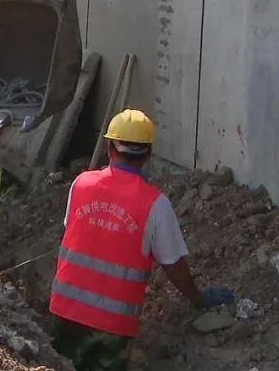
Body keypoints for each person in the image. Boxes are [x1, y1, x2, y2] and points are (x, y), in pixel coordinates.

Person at [49, 109, 234, 370]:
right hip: (111, 326)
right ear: (147, 154)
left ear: (110, 148)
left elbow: (75, 233)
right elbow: (174, 265)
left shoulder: (80, 184)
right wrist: (198, 298)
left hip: (63, 311)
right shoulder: (155, 204)